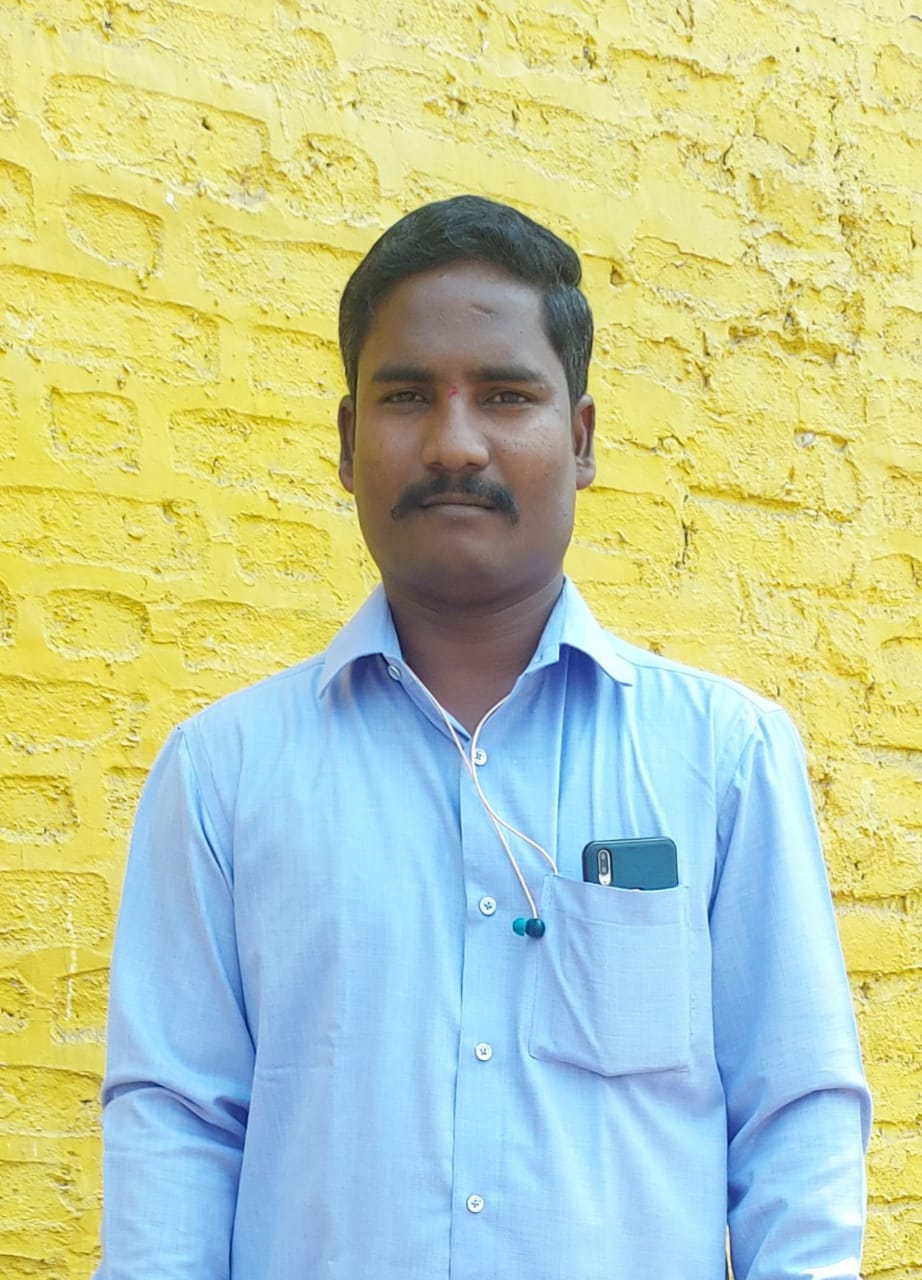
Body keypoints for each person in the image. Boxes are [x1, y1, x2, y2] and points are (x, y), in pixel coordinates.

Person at [94, 195, 870, 1279]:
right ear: (347, 442)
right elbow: (176, 1123)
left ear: (581, 438)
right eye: (407, 396)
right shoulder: (223, 774)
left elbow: (794, 1112)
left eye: (506, 395)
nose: (455, 443)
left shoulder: (723, 757)